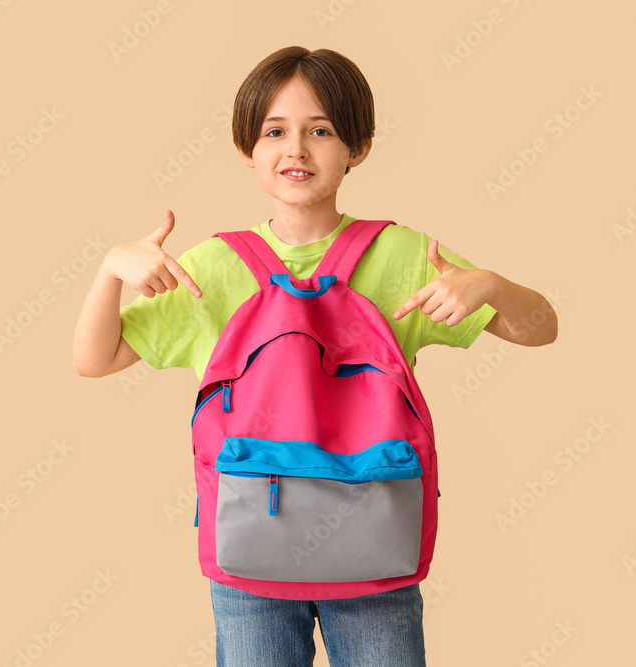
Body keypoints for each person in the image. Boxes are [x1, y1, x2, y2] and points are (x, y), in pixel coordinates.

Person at [73, 45, 558, 667]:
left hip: (354, 560)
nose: (296, 149)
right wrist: (112, 267)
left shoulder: (404, 256)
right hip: (265, 566)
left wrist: (490, 285)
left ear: (358, 148)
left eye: (320, 131)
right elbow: (96, 357)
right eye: (275, 131)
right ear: (247, 150)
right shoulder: (210, 268)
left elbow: (540, 328)